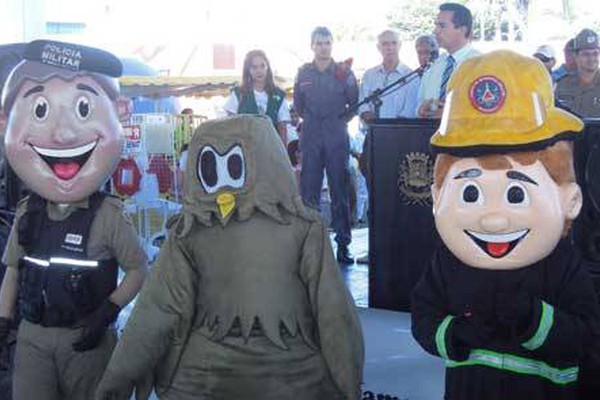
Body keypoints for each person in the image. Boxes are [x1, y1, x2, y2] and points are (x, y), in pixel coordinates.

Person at [95, 115, 365, 400]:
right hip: (294, 377)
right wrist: (348, 383)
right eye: (211, 165)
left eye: (233, 164)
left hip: (204, 377)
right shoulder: (304, 228)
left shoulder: (188, 232)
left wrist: (116, 382)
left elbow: (157, 311)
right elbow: (335, 315)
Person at [411, 50, 600, 399]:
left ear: (569, 199)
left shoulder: (563, 265)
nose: (494, 219)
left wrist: (535, 320)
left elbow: (588, 338)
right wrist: (452, 335)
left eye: (516, 194)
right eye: (470, 193)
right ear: (438, 197)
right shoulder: (448, 263)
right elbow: (424, 316)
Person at [0, 40, 148, 400]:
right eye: (39, 110)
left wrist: (108, 311)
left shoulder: (108, 215)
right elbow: (14, 271)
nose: (64, 134)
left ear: (119, 112)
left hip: (86, 340)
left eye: (84, 108)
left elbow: (138, 269)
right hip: (33, 337)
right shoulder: (26, 212)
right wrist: (3, 321)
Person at [293, 26, 359, 264]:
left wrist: (336, 122)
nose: (324, 47)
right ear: (312, 45)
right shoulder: (303, 73)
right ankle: (311, 243)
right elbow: (299, 106)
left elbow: (354, 105)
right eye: (319, 43)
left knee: (339, 190)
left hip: (336, 137)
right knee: (309, 191)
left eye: (327, 42)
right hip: (310, 136)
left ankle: (343, 244)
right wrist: (314, 123)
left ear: (332, 44)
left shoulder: (344, 72)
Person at [417, 2, 480, 119]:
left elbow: (488, 110)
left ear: (462, 29)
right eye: (436, 25)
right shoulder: (434, 65)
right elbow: (419, 103)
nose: (435, 31)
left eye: (442, 26)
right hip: (429, 134)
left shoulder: (481, 65)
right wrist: (421, 110)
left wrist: (452, 115)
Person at [224, 49, 290, 143]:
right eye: (254, 67)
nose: (259, 71)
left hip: (271, 150)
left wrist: (283, 155)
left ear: (267, 67)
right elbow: (229, 125)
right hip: (244, 149)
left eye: (262, 66)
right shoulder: (238, 93)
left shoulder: (279, 95)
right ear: (248, 70)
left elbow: (282, 128)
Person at [359, 29, 416, 122]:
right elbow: (362, 105)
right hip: (372, 132)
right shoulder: (369, 75)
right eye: (385, 44)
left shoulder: (411, 76)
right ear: (378, 47)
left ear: (400, 45)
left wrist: (390, 129)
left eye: (394, 43)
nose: (390, 47)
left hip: (400, 132)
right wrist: (367, 114)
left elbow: (409, 110)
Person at [555, 29, 600, 118]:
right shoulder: (561, 85)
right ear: (575, 56)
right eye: (586, 54)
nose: (591, 59)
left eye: (595, 54)